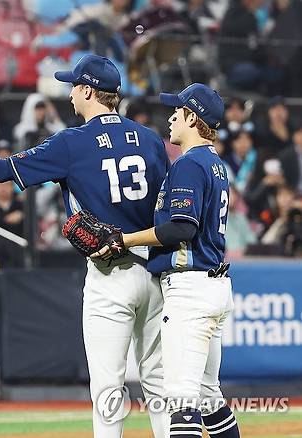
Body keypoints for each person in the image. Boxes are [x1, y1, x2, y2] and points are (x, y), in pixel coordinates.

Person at [0, 54, 170, 437]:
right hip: (154, 270)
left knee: (108, 386)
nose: (70, 93)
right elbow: (167, 210)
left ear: (88, 91)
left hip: (110, 276)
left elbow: (4, 171)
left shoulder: (71, 143)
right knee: (158, 382)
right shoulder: (151, 139)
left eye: (74, 85)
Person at [94, 83, 241, 437]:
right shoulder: (215, 164)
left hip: (190, 288)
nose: (171, 116)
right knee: (208, 396)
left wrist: (124, 239)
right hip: (213, 285)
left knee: (181, 402)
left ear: (193, 117)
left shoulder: (190, 164)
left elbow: (180, 229)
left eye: (178, 110)